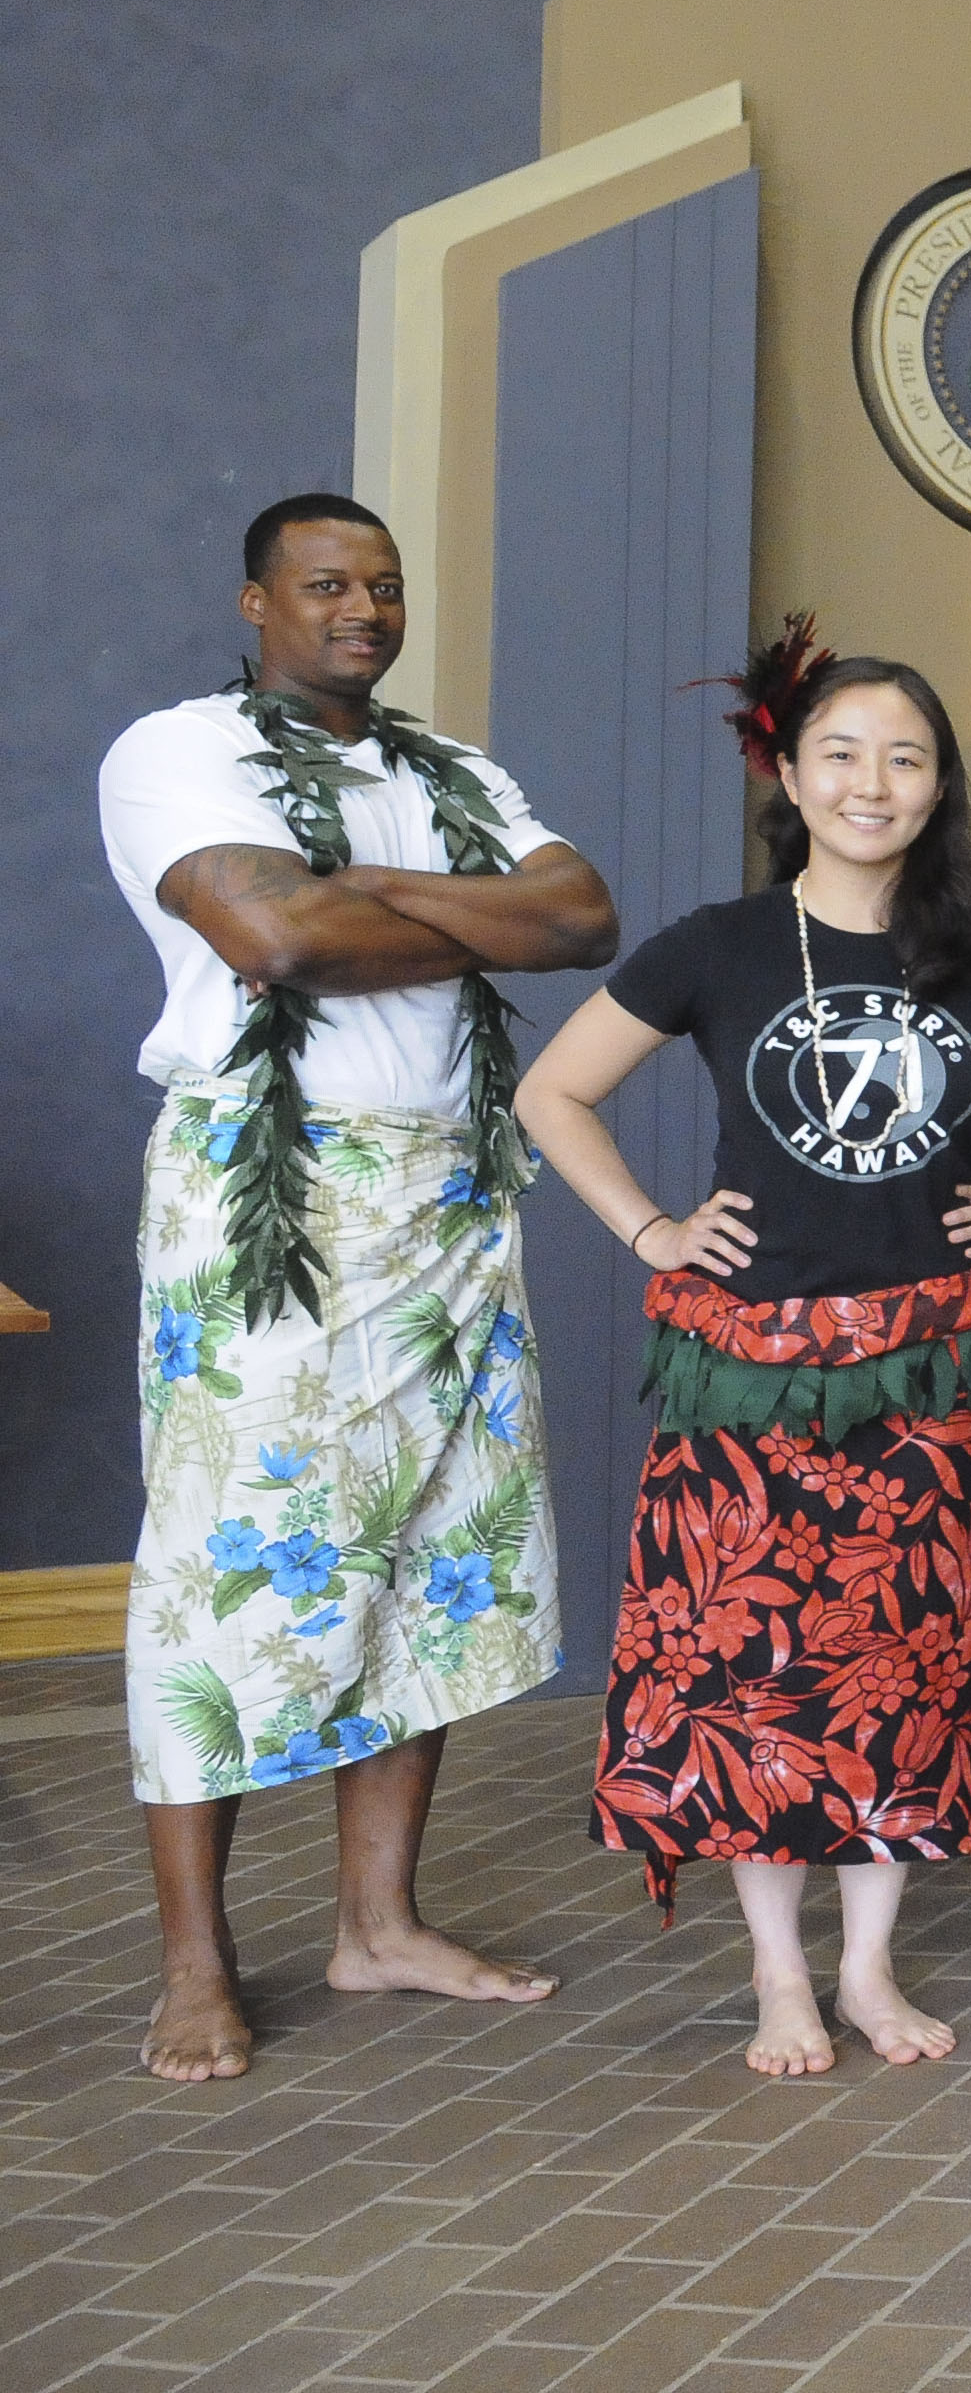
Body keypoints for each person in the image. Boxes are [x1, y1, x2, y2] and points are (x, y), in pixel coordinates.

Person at [520, 649, 971, 2076]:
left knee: (906, 1667)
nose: (876, 784)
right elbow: (551, 1090)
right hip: (750, 1370)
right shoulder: (718, 945)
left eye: (908, 758)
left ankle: (868, 1970)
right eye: (845, 755)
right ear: (790, 777)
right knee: (752, 1675)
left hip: (928, 1370)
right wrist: (653, 1230)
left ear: (939, 787)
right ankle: (778, 1978)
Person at [96, 492, 620, 2082]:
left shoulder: (453, 771)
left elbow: (583, 919)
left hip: (451, 1195)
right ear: (256, 600)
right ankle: (195, 1962)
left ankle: (378, 1927)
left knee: (428, 1547)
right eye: (326, 585)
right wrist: (460, 921)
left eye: (384, 586)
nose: (362, 610)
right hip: (271, 1188)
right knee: (221, 1560)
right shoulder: (175, 751)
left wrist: (361, 894)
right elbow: (270, 938)